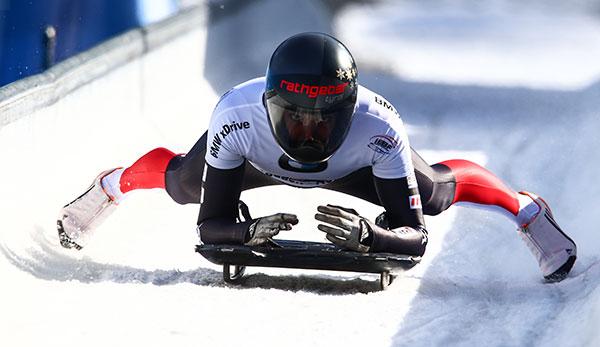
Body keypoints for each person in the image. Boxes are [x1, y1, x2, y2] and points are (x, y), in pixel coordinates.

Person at [57, 32, 577, 282]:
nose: (309, 133)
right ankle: (111, 186)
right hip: (257, 157)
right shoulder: (236, 116)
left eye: (324, 118)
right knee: (181, 183)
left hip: (354, 165)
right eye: (296, 117)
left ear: (349, 110)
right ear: (269, 106)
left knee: (437, 192)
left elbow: (415, 235)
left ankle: (524, 208)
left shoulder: (380, 127)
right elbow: (208, 223)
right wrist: (242, 234)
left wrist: (374, 237)